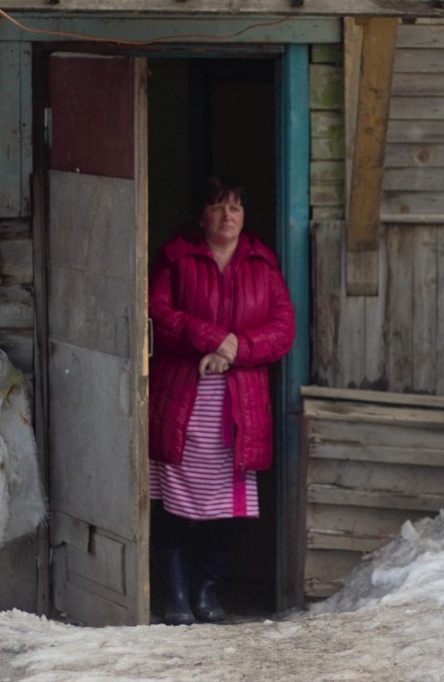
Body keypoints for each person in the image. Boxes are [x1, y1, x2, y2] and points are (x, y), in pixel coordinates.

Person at [147, 175, 295, 625]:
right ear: (201, 216)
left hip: (238, 404)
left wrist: (237, 348)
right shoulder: (175, 258)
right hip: (183, 397)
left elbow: (283, 329)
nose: (227, 216)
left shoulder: (262, 263)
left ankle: (205, 591)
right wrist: (213, 337)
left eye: (235, 207)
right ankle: (174, 597)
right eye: (217, 208)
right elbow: (158, 313)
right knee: (173, 499)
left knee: (230, 505)